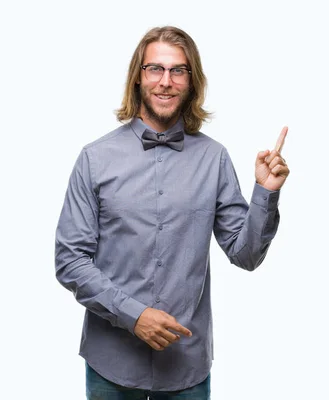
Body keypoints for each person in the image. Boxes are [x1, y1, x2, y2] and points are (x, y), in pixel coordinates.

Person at [54, 26, 289, 399]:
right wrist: (134, 315)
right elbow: (70, 260)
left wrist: (265, 193)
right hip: (110, 363)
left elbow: (245, 256)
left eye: (178, 70)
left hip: (186, 368)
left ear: (192, 82)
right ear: (138, 77)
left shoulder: (214, 159)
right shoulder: (94, 159)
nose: (166, 81)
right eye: (156, 69)